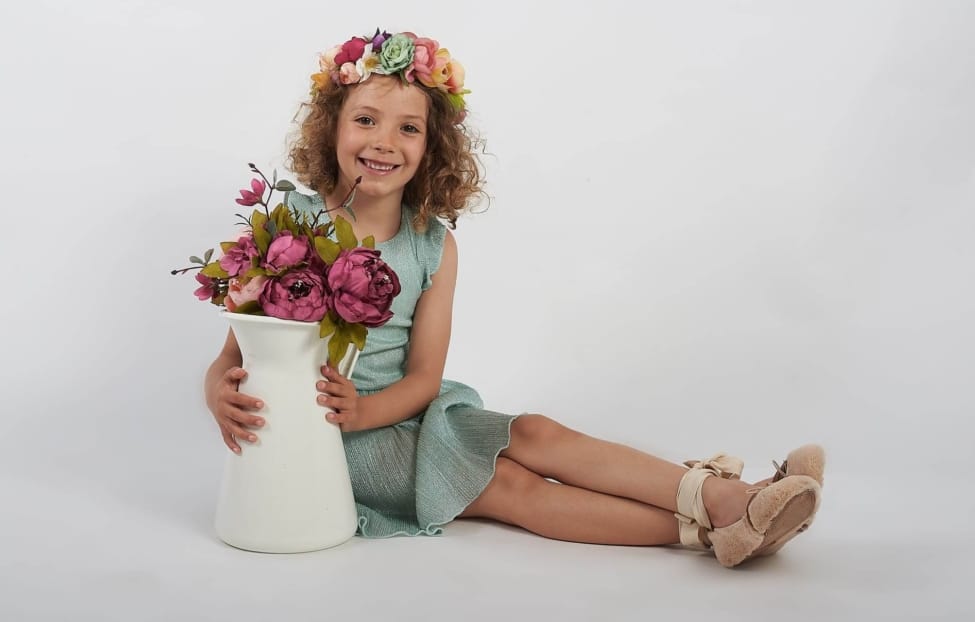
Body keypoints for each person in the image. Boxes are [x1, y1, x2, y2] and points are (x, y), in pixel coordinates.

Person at [203, 29, 825, 568]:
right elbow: (236, 351)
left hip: (409, 409)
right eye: (365, 119)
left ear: (432, 148)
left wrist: (376, 408)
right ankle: (715, 531)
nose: (383, 141)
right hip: (341, 436)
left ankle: (723, 496)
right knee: (510, 489)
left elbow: (424, 378)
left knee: (535, 431)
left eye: (408, 127)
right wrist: (216, 391)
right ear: (332, 125)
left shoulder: (431, 246)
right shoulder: (290, 225)